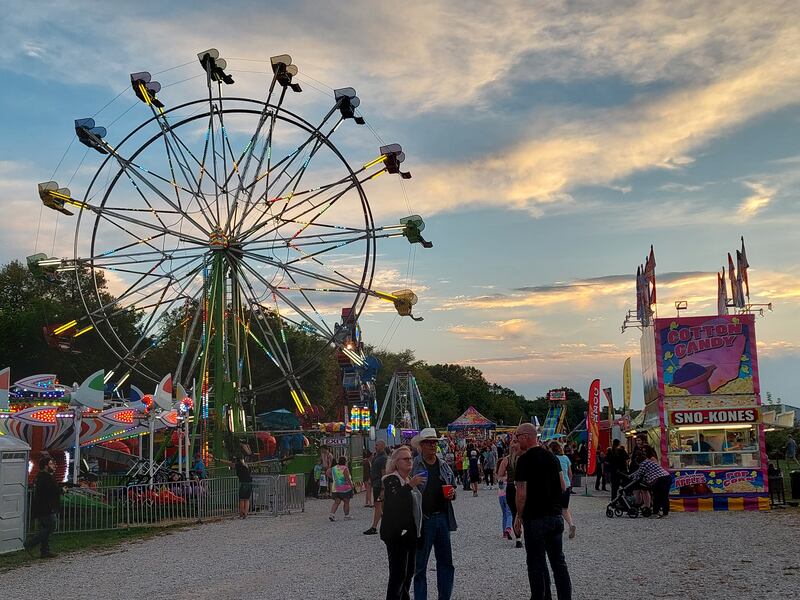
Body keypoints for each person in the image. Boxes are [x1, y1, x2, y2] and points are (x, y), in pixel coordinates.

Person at [513, 423, 572, 600]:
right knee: (558, 562)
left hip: (535, 517)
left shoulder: (524, 460)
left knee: (536, 563)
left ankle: (540, 596)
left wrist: (518, 516)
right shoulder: (552, 457)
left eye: (517, 437)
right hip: (555, 516)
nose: (516, 440)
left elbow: (521, 492)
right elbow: (563, 485)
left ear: (526, 436)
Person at [411, 427, 458, 600]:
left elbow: (453, 487)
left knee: (446, 563)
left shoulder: (443, 465)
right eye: (429, 442)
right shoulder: (414, 465)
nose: (432, 445)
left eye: (434, 442)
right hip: (423, 520)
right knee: (420, 566)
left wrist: (452, 493)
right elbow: (406, 490)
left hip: (443, 518)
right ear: (421, 445)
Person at [380, 445, 424, 600]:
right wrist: (411, 486)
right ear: (396, 462)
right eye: (405, 459)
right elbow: (395, 500)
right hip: (396, 533)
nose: (409, 461)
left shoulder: (407, 479)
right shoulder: (391, 479)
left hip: (410, 533)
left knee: (409, 572)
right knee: (398, 574)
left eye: (410, 458)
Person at [25, 456, 63, 558]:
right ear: (46, 466)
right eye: (51, 464)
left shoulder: (41, 477)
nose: (53, 466)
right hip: (46, 507)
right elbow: (51, 491)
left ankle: (45, 551)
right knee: (50, 527)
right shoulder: (45, 478)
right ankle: (31, 543)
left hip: (42, 507)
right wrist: (62, 490)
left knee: (45, 528)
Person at [628, 447, 672, 517]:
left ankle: (655, 513)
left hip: (659, 480)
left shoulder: (643, 464)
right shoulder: (648, 461)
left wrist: (630, 477)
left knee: (657, 496)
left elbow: (638, 474)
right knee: (664, 496)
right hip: (667, 476)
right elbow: (639, 471)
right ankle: (665, 513)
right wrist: (631, 475)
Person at [549, 442, 576, 539]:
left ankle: (557, 528)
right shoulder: (566, 458)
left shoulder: (552, 459)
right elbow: (570, 473)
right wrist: (569, 483)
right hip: (567, 485)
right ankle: (571, 524)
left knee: (555, 509)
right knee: (565, 508)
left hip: (556, 487)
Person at [364, 440, 388, 535]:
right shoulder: (377, 456)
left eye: (377, 445)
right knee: (379, 505)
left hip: (379, 485)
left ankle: (374, 527)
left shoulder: (383, 458)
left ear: (382, 446)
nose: (375, 447)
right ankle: (383, 523)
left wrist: (383, 488)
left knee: (378, 505)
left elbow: (384, 473)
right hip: (376, 484)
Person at [503, 437, 524, 548]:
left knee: (513, 511)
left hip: (511, 486)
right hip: (523, 486)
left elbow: (500, 474)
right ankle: (530, 535)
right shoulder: (523, 458)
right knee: (524, 512)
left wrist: (506, 476)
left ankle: (518, 539)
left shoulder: (507, 459)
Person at [328, 456, 355, 521]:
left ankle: (332, 515)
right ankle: (346, 516)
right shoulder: (345, 468)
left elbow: (327, 472)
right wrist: (351, 486)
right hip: (345, 488)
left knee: (336, 502)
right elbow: (347, 478)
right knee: (346, 502)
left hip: (336, 488)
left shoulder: (334, 468)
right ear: (345, 462)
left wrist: (334, 479)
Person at [496, 451, 513, 540]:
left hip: (501, 495)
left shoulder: (499, 476)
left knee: (504, 514)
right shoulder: (508, 475)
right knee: (509, 513)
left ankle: (504, 533)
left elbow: (499, 482)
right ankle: (508, 528)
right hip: (508, 493)